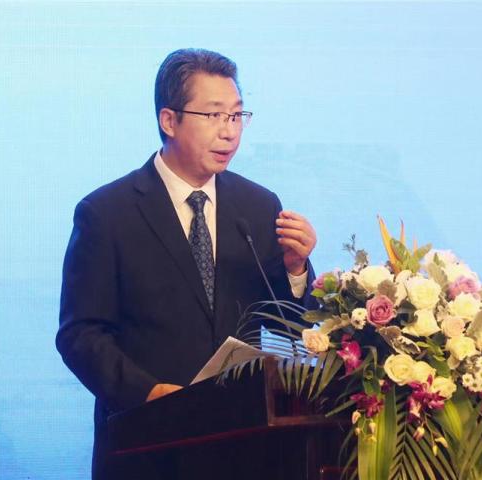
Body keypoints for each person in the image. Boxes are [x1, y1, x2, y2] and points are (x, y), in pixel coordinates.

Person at [56, 48, 317, 479]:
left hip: (245, 449)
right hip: (146, 447)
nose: (229, 132)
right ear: (169, 120)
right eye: (213, 115)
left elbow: (291, 328)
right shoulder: (107, 213)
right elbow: (80, 334)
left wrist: (295, 269)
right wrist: (148, 392)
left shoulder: (257, 205)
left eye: (236, 116)